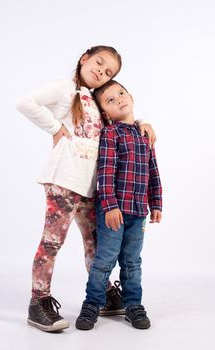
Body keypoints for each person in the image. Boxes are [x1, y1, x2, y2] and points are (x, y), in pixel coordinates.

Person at [16, 46, 156, 332]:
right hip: (65, 182)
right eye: (99, 63)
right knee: (52, 242)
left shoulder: (96, 100)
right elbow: (26, 102)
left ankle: (103, 293)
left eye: (108, 72)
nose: (100, 72)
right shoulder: (66, 89)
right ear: (84, 58)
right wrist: (55, 128)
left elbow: (118, 120)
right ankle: (38, 301)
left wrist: (142, 122)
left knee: (95, 243)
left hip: (92, 187)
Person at [76, 79, 162, 331]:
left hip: (138, 212)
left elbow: (153, 171)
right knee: (105, 259)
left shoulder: (145, 134)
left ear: (131, 96)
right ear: (105, 113)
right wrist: (111, 206)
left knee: (133, 261)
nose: (119, 100)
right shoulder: (111, 133)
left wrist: (156, 202)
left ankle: (133, 304)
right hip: (113, 211)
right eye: (111, 100)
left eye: (121, 94)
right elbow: (106, 171)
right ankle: (92, 303)